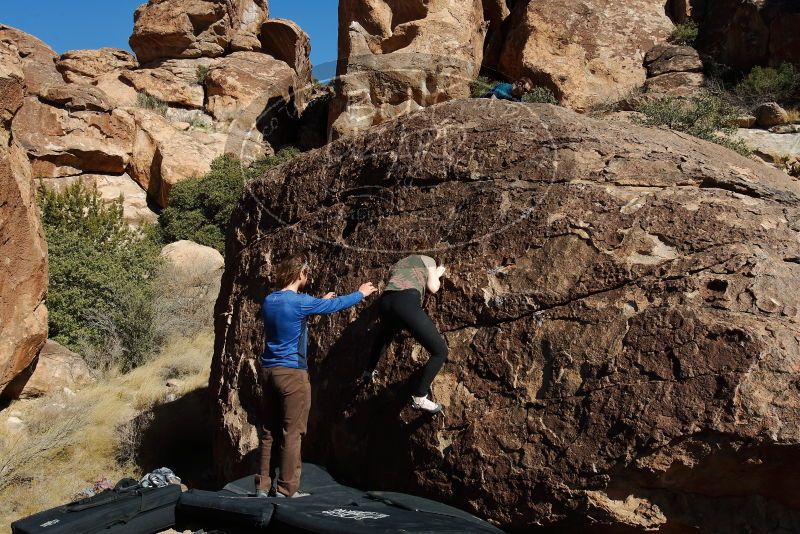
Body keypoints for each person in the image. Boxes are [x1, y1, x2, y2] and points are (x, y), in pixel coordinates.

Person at [256, 254, 377, 498]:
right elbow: (333, 306)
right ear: (300, 274)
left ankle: (261, 486)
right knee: (293, 432)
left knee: (269, 431)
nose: (307, 278)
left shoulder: (270, 300)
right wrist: (361, 293)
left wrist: (317, 302)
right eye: (306, 274)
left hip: (268, 372)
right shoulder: (301, 302)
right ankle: (286, 489)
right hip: (292, 374)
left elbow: (293, 314)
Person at [364, 255, 448, 414]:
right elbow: (433, 287)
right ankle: (420, 397)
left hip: (385, 303)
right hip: (405, 301)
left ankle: (368, 370)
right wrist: (438, 272)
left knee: (385, 336)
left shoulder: (399, 262)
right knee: (440, 351)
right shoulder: (428, 260)